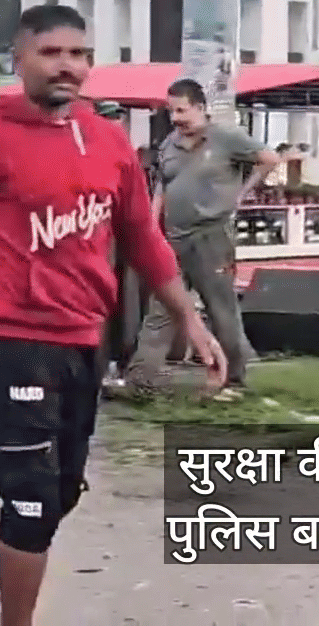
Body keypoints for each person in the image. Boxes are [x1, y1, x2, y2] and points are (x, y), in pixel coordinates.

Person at [0, 4, 227, 626]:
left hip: (85, 342)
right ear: (20, 59)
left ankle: (24, 542)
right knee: (33, 500)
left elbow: (144, 237)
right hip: (14, 342)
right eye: (52, 52)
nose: (68, 65)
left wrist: (193, 322)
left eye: (79, 53)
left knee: (60, 490)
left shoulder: (109, 141)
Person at [125, 79, 298, 403]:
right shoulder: (169, 144)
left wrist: (241, 194)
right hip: (174, 238)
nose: (176, 117)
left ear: (200, 108)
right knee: (162, 307)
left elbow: (270, 158)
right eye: (171, 110)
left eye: (182, 110)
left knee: (221, 309)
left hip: (212, 236)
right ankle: (142, 379)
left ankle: (236, 379)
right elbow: (162, 184)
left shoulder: (226, 137)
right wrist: (151, 224)